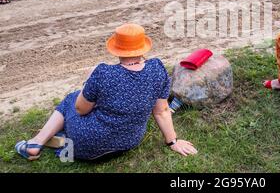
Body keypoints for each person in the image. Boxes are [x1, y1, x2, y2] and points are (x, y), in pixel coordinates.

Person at [15, 23, 198, 161]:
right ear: (143, 48)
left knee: (71, 99)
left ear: (117, 49)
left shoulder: (104, 73)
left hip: (86, 146)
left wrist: (88, 83)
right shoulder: (158, 69)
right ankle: (60, 139)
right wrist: (173, 142)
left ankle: (36, 142)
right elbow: (161, 110)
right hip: (128, 142)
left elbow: (81, 110)